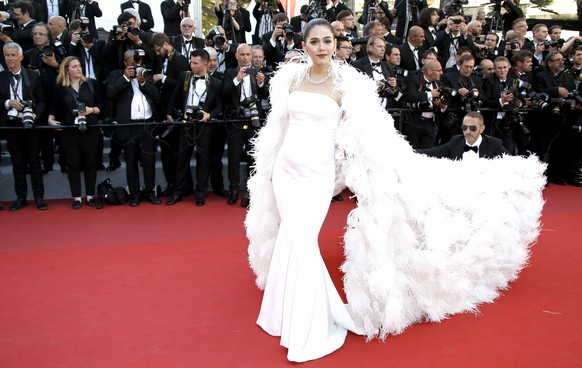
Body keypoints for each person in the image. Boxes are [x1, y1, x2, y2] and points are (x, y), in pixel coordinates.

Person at [247, 19, 545, 362]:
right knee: (289, 237)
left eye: (328, 40)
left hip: (316, 176)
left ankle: (310, 323)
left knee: (301, 240)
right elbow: (279, 128)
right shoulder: (292, 79)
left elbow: (369, 136)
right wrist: (270, 170)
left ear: (335, 43)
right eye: (314, 41)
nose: (322, 47)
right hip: (285, 172)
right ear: (304, 44)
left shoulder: (349, 85)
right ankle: (279, 312)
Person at [47, 56, 102, 209]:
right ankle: (77, 197)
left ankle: (90, 196)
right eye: (74, 66)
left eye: (79, 66)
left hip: (90, 129)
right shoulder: (60, 87)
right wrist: (51, 120)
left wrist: (90, 110)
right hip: (69, 131)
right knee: (73, 164)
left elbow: (101, 107)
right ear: (67, 70)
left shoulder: (91, 84)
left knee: (90, 163)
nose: (78, 69)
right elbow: (53, 109)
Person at [0, 42, 47, 210]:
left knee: (34, 161)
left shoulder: (33, 76)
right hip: (11, 125)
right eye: (7, 55)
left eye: (13, 55)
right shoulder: (1, 77)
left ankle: (39, 197)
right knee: (17, 162)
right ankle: (21, 197)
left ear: (20, 56)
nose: (10, 59)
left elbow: (42, 100)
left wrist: (36, 115)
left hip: (30, 123)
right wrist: (8, 103)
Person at [419, 112, 507, 159]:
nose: (467, 131)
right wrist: (408, 152)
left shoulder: (494, 144)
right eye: (464, 127)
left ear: (482, 129)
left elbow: (511, 162)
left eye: (472, 128)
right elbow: (432, 152)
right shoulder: (456, 141)